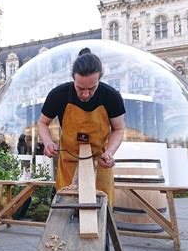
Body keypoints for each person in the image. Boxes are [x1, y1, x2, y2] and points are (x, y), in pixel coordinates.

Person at [37, 47, 125, 207]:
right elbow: (42, 123)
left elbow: (118, 129)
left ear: (100, 79)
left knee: (101, 211)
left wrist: (110, 153)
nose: (85, 94)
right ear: (73, 78)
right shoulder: (59, 94)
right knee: (65, 209)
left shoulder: (112, 96)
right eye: (80, 88)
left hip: (100, 162)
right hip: (69, 161)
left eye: (91, 88)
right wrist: (47, 142)